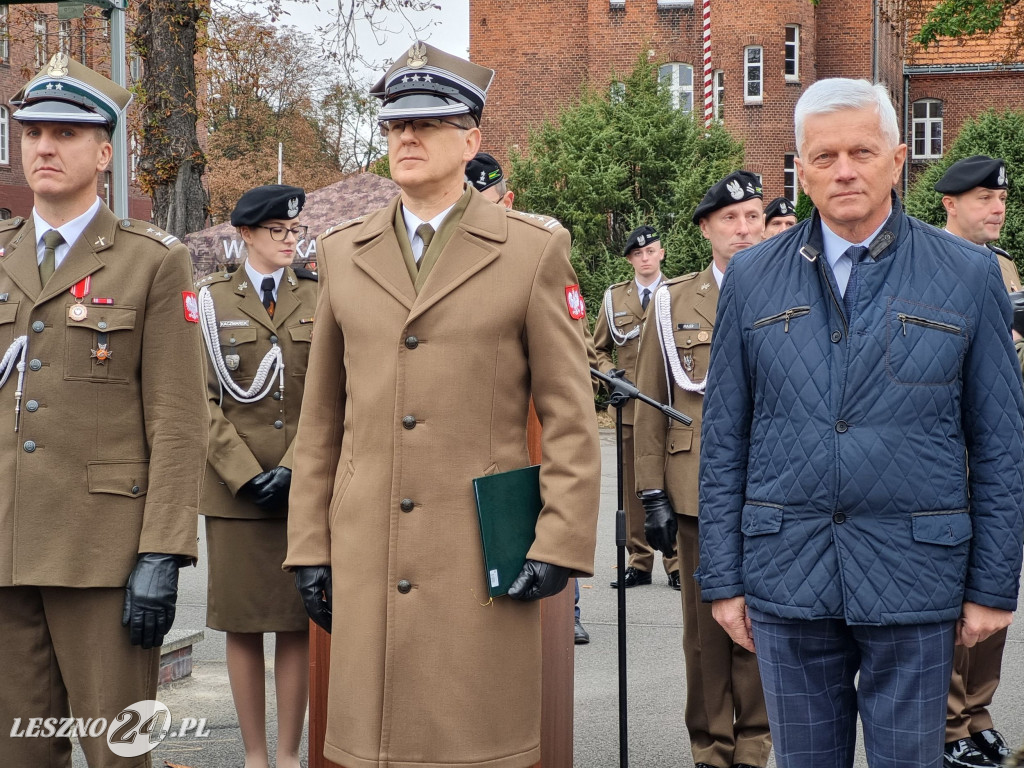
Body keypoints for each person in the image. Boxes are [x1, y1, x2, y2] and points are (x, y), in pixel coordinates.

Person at [283, 42, 601, 768]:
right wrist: (309, 545)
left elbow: (571, 417)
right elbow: (321, 420)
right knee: (371, 747)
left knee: (475, 744)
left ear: (471, 140)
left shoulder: (530, 253)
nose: (409, 138)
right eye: (397, 125)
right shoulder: (342, 253)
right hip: (366, 552)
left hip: (476, 553)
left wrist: (558, 541)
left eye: (428, 123)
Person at [694, 78, 1024, 768]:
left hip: (917, 574)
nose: (844, 170)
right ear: (801, 169)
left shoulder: (966, 273)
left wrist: (993, 586)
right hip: (789, 573)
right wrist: (722, 579)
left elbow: (999, 439)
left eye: (862, 152)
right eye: (824, 156)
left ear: (899, 160)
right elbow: (726, 436)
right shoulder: (754, 277)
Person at [0, 55, 208, 767]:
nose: (44, 148)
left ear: (105, 150)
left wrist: (162, 552)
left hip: (104, 555)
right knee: (18, 755)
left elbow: (180, 420)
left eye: (64, 132)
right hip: (7, 549)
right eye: (31, 133)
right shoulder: (1, 255)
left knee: (120, 756)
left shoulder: (151, 261)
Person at [634, 171, 771, 768]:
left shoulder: (790, 290)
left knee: (765, 626)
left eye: (753, 218)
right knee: (705, 632)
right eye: (730, 221)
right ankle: (711, 749)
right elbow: (649, 401)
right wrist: (649, 492)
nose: (744, 230)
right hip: (694, 493)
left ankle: (754, 747)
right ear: (706, 229)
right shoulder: (673, 303)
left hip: (772, 490)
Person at [196, 185, 317, 768]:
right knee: (243, 626)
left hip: (303, 487)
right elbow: (200, 401)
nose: (291, 242)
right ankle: (254, 755)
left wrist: (294, 465)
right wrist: (245, 474)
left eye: (295, 232)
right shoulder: (211, 301)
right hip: (236, 494)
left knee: (297, 623)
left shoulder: (320, 296)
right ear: (246, 234)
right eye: (278, 232)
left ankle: (289, 754)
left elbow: (331, 394)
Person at [467, 150, 595, 645]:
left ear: (509, 200)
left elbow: (568, 341)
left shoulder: (538, 245)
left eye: (486, 203)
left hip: (528, 428)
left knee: (549, 498)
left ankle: (570, 607)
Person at [935, 155, 1019, 768]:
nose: (998, 209)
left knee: (994, 587)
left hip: (998, 457)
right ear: (951, 205)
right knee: (951, 595)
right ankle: (947, 721)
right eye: (986, 199)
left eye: (1003, 200)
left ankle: (977, 711)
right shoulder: (926, 264)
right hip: (947, 459)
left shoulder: (1006, 269)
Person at [594, 225, 680, 589]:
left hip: (668, 409)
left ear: (661, 253)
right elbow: (596, 350)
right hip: (630, 411)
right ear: (630, 259)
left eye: (651, 252)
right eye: (638, 254)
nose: (645, 258)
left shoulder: (679, 294)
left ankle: (676, 564)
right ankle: (639, 561)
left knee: (673, 486)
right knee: (633, 490)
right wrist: (610, 375)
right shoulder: (614, 300)